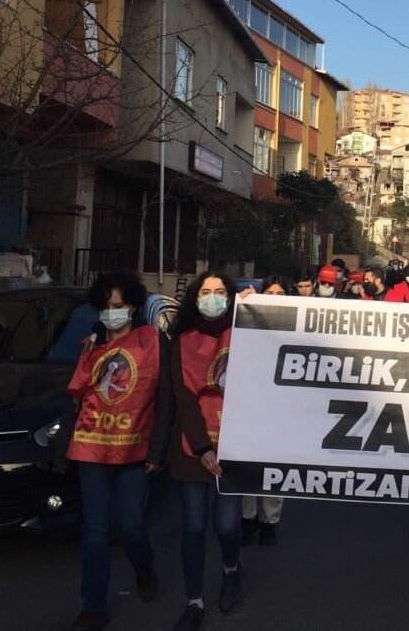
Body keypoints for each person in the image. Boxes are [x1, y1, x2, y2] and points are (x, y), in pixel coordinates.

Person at [66, 271, 172, 631]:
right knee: (95, 529)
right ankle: (93, 605)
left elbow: (164, 397)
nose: (114, 312)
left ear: (133, 307)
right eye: (108, 306)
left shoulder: (151, 341)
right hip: (91, 446)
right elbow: (76, 394)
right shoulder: (91, 345)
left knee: (130, 524)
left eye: (120, 305)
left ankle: (144, 566)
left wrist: (157, 450)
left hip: (135, 448)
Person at [170, 270, 245, 630]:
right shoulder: (182, 338)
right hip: (193, 447)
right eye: (205, 291)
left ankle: (231, 569)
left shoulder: (247, 332)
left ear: (230, 297)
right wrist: (202, 447)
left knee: (227, 525)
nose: (212, 297)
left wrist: (262, 308)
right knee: (194, 526)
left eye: (219, 291)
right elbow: (183, 397)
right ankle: (194, 600)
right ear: (195, 297)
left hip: (235, 445)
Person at [241, 274, 291, 545]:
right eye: (268, 294)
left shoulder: (298, 325)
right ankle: (247, 516)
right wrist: (240, 304)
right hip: (250, 405)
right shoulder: (247, 321)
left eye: (280, 295)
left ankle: (270, 520)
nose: (274, 300)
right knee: (247, 463)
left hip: (281, 408)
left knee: (275, 466)